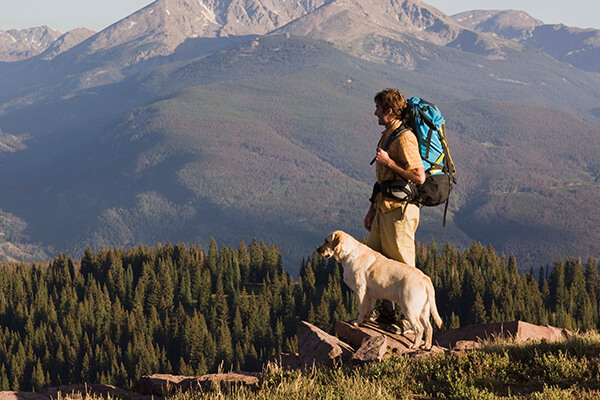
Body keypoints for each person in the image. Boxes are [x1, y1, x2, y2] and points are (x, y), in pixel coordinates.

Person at [363, 88, 425, 330]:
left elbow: (418, 176)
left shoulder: (405, 139)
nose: (375, 113)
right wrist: (371, 211)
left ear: (389, 111)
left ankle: (412, 321)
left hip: (400, 211)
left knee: (403, 266)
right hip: (383, 208)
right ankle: (386, 314)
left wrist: (390, 162)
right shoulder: (388, 135)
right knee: (376, 263)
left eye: (379, 108)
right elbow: (382, 180)